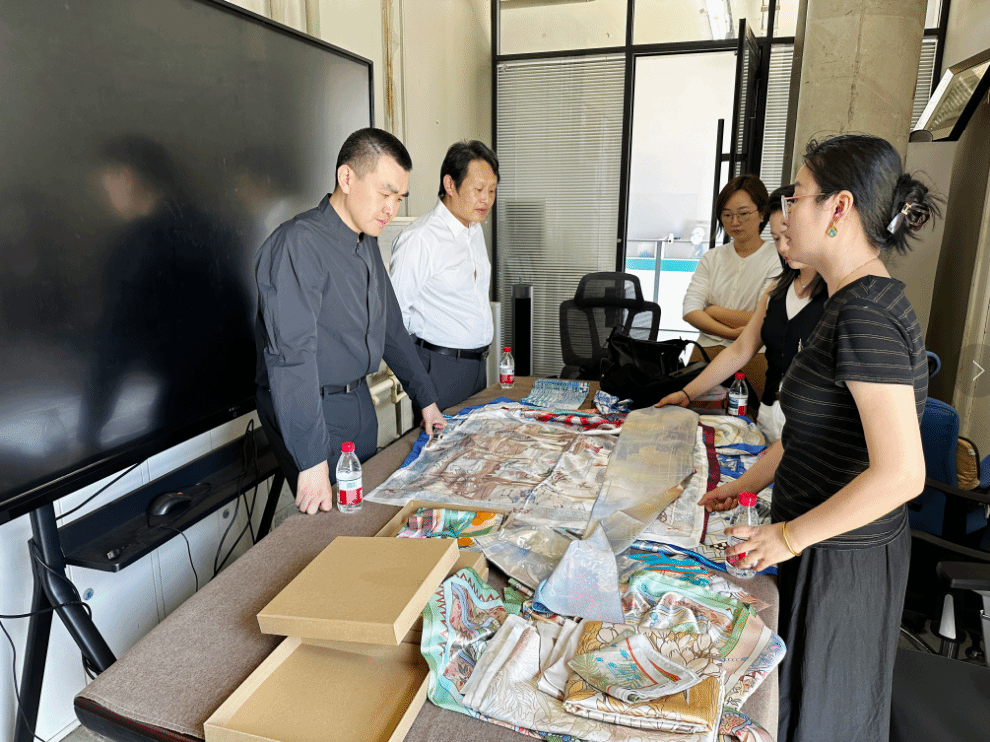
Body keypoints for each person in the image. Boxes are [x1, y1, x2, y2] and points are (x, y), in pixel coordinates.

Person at [706, 134, 939, 742]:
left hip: (842, 559)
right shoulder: (846, 299)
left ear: (839, 207)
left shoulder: (865, 313)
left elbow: (902, 474)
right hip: (820, 541)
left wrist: (787, 537)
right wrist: (744, 483)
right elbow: (814, 431)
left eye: (797, 196)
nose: (786, 213)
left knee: (823, 718)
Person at [254, 127, 445, 516]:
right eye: (385, 193)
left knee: (367, 511)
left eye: (399, 198)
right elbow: (291, 358)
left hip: (358, 400)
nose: (391, 209)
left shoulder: (365, 239)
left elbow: (391, 329)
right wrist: (311, 461)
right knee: (332, 523)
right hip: (315, 407)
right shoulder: (298, 243)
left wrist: (425, 398)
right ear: (347, 177)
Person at [656, 185, 827, 445]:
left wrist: (713, 311)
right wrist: (687, 394)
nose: (783, 247)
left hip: (804, 426)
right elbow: (738, 347)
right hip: (770, 414)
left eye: (788, 236)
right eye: (776, 238)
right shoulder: (779, 287)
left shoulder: (833, 292)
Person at [389, 140, 498, 412]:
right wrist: (420, 378)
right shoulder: (420, 239)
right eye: (478, 190)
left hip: (478, 368)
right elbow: (393, 319)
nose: (486, 199)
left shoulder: (474, 231)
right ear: (450, 185)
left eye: (492, 190)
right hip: (440, 369)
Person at [681, 174, 781, 408]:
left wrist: (712, 310)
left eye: (743, 214)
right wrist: (733, 333)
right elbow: (690, 310)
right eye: (727, 215)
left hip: (754, 353)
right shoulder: (712, 258)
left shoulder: (776, 258)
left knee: (750, 418)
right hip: (705, 351)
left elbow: (764, 317)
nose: (735, 222)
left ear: (762, 213)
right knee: (692, 416)